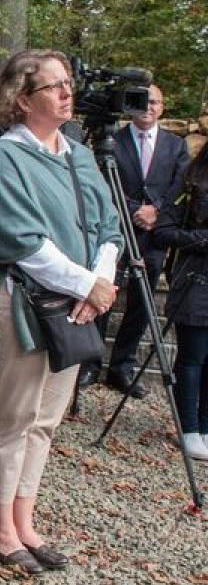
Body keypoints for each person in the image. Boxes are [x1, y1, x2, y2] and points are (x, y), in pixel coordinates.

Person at [0, 49, 121, 575]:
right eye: (52, 86)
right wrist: (86, 285)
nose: (65, 92)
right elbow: (18, 238)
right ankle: (1, 527)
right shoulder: (4, 157)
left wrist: (99, 282)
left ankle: (26, 521)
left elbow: (108, 226)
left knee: (47, 419)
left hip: (76, 306)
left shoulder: (78, 154)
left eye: (67, 83)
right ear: (21, 98)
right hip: (23, 302)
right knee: (15, 417)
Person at [97, 84, 189, 395]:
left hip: (154, 237)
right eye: (143, 102)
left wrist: (157, 211)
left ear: (163, 107)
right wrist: (135, 210)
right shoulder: (113, 141)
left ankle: (121, 367)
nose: (149, 107)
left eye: (155, 102)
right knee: (104, 295)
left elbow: (179, 186)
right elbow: (104, 181)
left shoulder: (175, 146)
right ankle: (91, 364)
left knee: (141, 303)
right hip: (118, 230)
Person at [154, 147, 208, 461]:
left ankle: (204, 425)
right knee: (193, 359)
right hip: (195, 283)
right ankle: (188, 427)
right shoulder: (192, 179)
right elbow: (163, 231)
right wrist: (201, 240)